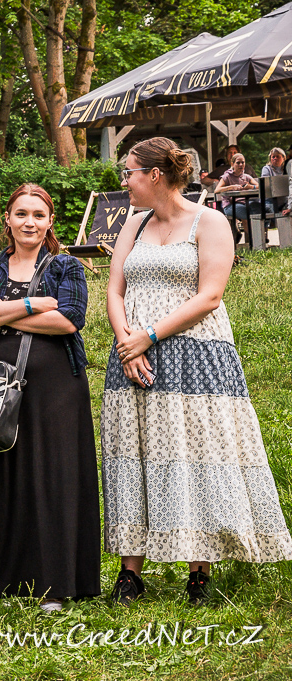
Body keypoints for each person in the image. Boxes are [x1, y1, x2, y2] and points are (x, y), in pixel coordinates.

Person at [102, 137, 292, 607]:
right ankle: (130, 574)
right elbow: (115, 289)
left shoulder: (209, 222)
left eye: (129, 172)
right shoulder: (133, 224)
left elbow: (210, 295)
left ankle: (199, 572)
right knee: (133, 454)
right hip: (133, 356)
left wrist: (149, 336)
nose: (124, 181)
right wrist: (128, 344)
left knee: (196, 453)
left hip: (196, 356)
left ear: (155, 175)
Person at [0, 185, 100, 616]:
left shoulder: (66, 266)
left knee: (52, 478)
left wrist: (6, 313)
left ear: (50, 221)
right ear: (8, 218)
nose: (29, 222)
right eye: (21, 214)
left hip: (58, 390)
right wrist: (35, 304)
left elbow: (69, 320)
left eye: (38, 214)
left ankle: (53, 585)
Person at [214, 153, 260, 243]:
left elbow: (258, 185)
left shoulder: (246, 176)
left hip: (244, 203)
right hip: (230, 205)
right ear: (232, 164)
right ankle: (254, 239)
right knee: (247, 212)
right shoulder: (227, 176)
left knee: (257, 208)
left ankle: (256, 238)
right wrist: (231, 187)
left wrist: (250, 187)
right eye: (238, 163)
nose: (241, 165)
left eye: (243, 162)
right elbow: (217, 190)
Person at [261, 148, 288, 219]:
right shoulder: (266, 169)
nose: (275, 158)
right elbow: (266, 184)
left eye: (278, 156)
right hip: (270, 201)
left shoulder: (287, 169)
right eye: (273, 157)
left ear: (283, 158)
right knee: (274, 215)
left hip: (285, 201)